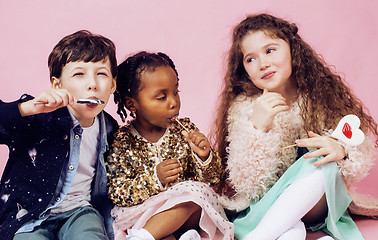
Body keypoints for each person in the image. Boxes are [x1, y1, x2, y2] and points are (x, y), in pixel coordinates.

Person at [212, 13, 378, 240]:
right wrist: (257, 129)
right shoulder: (246, 107)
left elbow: (362, 149)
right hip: (269, 206)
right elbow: (247, 185)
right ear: (244, 69)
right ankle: (274, 232)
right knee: (293, 234)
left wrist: (342, 150)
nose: (263, 64)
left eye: (270, 50)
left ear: (292, 50)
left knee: (322, 162)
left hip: (319, 207)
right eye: (250, 59)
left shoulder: (322, 97)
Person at [0, 30, 119, 240]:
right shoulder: (37, 114)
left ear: (113, 85)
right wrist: (27, 109)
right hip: (28, 217)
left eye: (101, 74)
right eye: (79, 74)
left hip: (80, 212)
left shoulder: (110, 128)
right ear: (57, 85)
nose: (92, 84)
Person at [106, 51, 234, 240]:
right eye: (161, 97)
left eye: (175, 92)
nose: (174, 103)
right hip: (145, 215)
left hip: (188, 211)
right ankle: (145, 237)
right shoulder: (122, 141)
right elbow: (117, 191)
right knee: (166, 232)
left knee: (194, 197)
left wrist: (204, 157)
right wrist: (155, 179)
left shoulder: (185, 131)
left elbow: (213, 181)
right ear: (132, 104)